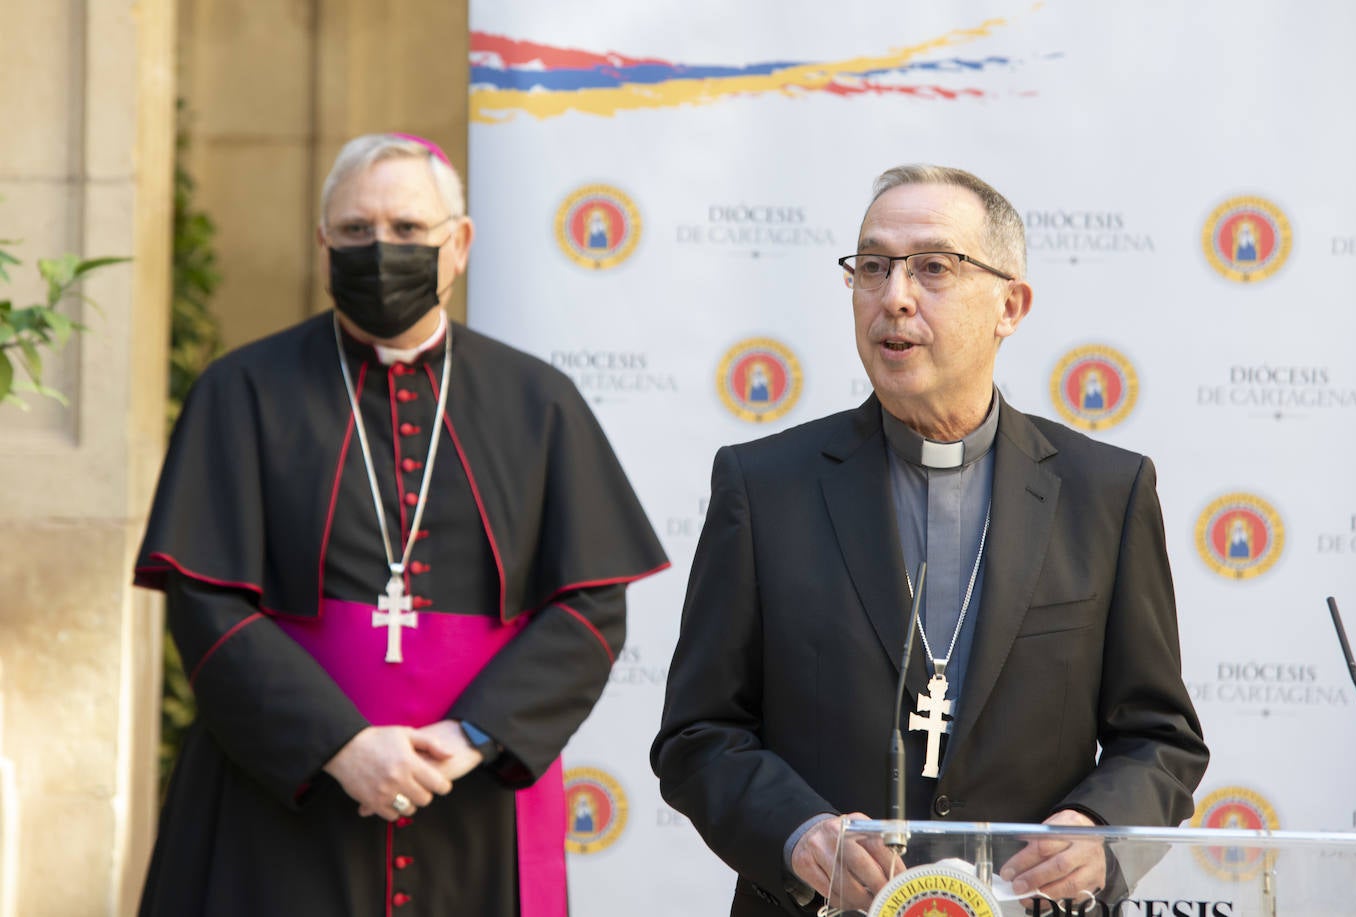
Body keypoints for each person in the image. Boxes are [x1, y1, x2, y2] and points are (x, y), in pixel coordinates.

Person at [134, 133, 668, 917]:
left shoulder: (537, 402)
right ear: (322, 244)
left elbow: (590, 609)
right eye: (355, 230)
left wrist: (471, 736)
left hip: (472, 799)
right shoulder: (242, 391)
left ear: (460, 244)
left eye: (408, 230)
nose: (380, 249)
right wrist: (339, 745)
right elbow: (207, 607)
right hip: (280, 797)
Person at [650, 165, 1208, 915]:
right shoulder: (764, 486)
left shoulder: (1104, 491)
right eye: (872, 268)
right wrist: (797, 832)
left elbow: (1159, 738)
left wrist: (1097, 830)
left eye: (934, 268)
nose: (895, 297)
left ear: (1011, 305)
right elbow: (698, 733)